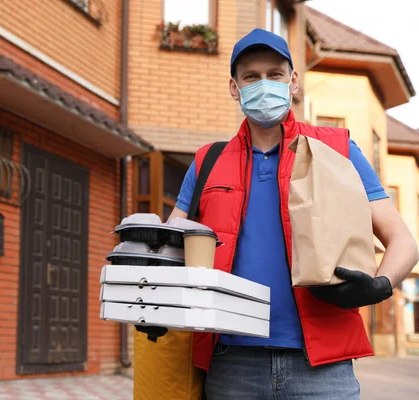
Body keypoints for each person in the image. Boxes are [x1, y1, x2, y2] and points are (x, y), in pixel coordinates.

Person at [165, 28, 419, 399]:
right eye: (251, 76)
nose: (263, 84)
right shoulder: (208, 161)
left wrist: (381, 286)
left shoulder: (338, 150)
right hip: (231, 363)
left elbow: (403, 240)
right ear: (234, 87)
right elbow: (172, 248)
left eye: (274, 74)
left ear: (293, 81)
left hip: (322, 368)